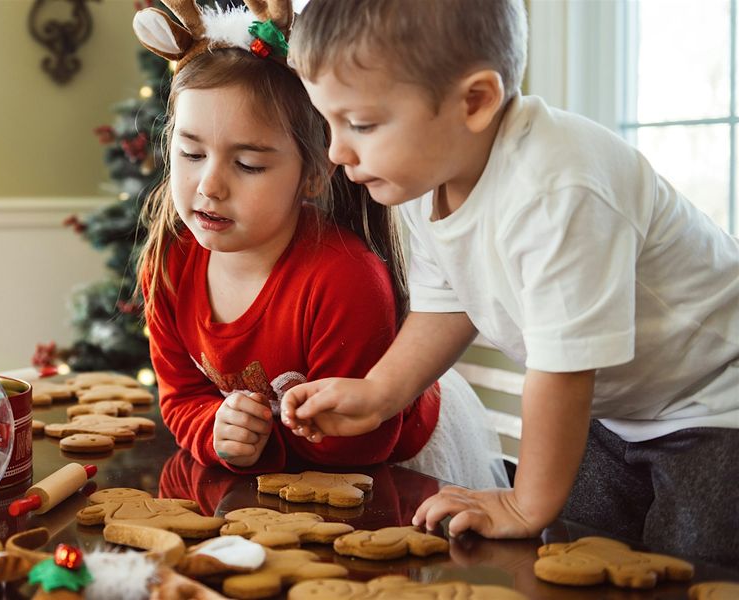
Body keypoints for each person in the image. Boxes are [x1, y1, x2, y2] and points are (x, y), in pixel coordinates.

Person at [282, 0, 739, 564]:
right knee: (577, 555)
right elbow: (448, 305)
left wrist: (525, 503)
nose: (335, 151)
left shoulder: (558, 189)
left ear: (475, 101)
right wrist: (380, 394)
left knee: (696, 566)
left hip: (716, 401)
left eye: (363, 124)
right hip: (619, 411)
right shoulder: (423, 180)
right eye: (329, 121)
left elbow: (564, 370)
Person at [134, 0, 505, 489]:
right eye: (191, 153)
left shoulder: (346, 280)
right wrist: (216, 431)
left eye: (248, 165)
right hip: (278, 482)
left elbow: (362, 444)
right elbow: (181, 398)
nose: (210, 185)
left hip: (391, 475)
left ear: (313, 173)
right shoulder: (169, 264)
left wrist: (263, 442)